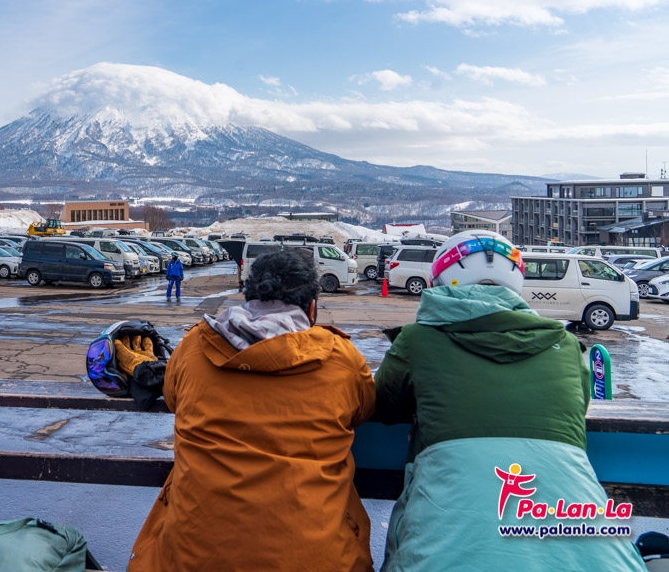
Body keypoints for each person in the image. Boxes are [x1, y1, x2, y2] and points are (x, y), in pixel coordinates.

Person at [374, 231, 646, 571]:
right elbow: (578, 404)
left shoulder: (417, 341)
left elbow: (385, 405)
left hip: (444, 543)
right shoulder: (564, 343)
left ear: (438, 281)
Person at [128, 250, 375, 572]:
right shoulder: (342, 359)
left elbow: (173, 399)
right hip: (319, 556)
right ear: (312, 306)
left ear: (249, 295)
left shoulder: (194, 347)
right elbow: (364, 409)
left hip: (194, 553)